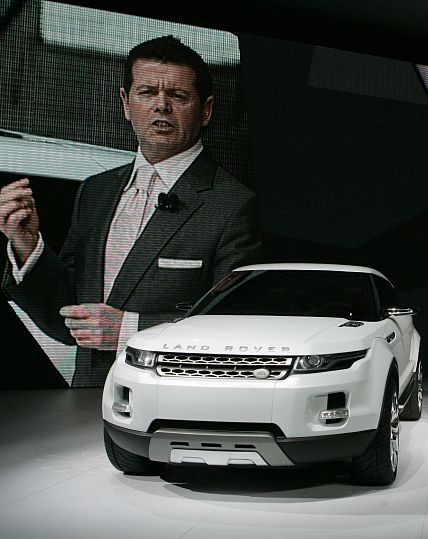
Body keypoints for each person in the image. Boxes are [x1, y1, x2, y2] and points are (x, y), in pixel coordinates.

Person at [0, 35, 262, 387]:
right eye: (147, 92)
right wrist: (27, 245)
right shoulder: (96, 191)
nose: (161, 106)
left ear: (207, 110)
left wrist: (128, 330)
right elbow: (69, 320)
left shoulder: (232, 204)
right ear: (126, 103)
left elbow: (233, 322)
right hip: (84, 403)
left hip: (171, 405)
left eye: (178, 96)